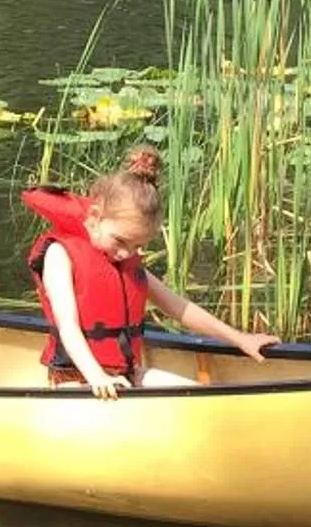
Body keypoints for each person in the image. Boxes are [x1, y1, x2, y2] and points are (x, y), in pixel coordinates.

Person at [24, 145, 278, 397]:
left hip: (127, 374)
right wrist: (96, 377)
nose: (127, 253)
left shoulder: (125, 262)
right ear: (95, 215)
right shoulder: (60, 255)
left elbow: (179, 308)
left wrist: (240, 339)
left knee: (198, 394)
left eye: (138, 246)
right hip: (76, 377)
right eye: (120, 241)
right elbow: (68, 325)